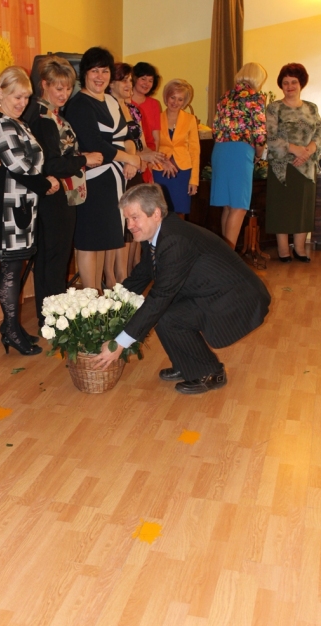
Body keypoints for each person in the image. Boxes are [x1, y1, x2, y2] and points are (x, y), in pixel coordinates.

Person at [92, 184, 271, 395]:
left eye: (134, 217)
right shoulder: (157, 232)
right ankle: (188, 366)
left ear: (155, 213)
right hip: (211, 290)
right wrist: (106, 307)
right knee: (165, 314)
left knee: (169, 314)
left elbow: (159, 297)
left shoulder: (174, 240)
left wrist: (119, 344)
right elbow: (141, 275)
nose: (129, 225)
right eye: (127, 218)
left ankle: (211, 373)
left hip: (235, 299)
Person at [0, 66, 59, 354]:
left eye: (26, 97)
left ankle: (10, 326)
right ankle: (11, 330)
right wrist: (45, 183)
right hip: (7, 210)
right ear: (0, 92)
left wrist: (42, 180)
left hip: (19, 207)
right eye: (17, 96)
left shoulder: (14, 122)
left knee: (14, 267)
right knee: (11, 269)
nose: (22, 102)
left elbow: (29, 164)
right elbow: (21, 166)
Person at [28, 55, 103, 326]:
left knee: (52, 258)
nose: (64, 94)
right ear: (45, 84)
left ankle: (50, 317)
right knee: (54, 259)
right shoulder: (44, 117)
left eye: (68, 88)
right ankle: (54, 318)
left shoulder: (50, 114)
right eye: (58, 88)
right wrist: (84, 159)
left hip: (59, 196)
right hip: (54, 197)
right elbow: (51, 163)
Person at [65, 47, 141, 290]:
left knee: (103, 242)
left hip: (114, 181)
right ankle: (90, 295)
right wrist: (129, 158)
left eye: (105, 71)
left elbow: (127, 134)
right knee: (89, 242)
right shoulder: (79, 104)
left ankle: (98, 296)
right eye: (94, 71)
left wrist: (130, 157)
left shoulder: (111, 101)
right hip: (93, 181)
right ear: (84, 73)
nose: (100, 76)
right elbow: (94, 144)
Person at [108, 62, 166, 282]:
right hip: (118, 169)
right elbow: (115, 144)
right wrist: (136, 158)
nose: (128, 85)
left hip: (135, 168)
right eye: (124, 80)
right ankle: (116, 278)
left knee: (133, 226)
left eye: (130, 80)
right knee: (120, 228)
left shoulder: (133, 109)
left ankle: (131, 274)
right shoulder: (108, 106)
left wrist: (147, 156)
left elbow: (139, 141)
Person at [265, 63, 321, 263]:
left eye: (293, 82)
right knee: (282, 207)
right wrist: (294, 149)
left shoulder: (311, 108)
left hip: (306, 165)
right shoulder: (274, 108)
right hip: (282, 166)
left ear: (301, 84)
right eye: (285, 82)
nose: (289, 86)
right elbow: (270, 136)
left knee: (303, 207)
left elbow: (319, 133)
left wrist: (309, 150)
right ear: (281, 85)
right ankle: (283, 249)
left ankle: (299, 248)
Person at [211, 62, 267, 249]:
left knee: (228, 205)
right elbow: (260, 134)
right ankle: (229, 257)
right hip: (240, 152)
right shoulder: (255, 97)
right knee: (240, 206)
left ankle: (224, 254)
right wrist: (258, 154)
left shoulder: (225, 96)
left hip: (220, 150)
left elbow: (215, 127)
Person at [152, 78, 200, 217]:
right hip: (160, 169)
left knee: (180, 211)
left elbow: (195, 151)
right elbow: (152, 145)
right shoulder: (156, 117)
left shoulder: (190, 119)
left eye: (180, 99)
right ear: (166, 97)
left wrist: (194, 180)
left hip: (182, 172)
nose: (175, 102)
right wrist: (161, 161)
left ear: (185, 101)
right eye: (172, 97)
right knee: (159, 211)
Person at [131, 62, 162, 182]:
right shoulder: (124, 102)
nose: (147, 83)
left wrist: (152, 160)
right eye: (143, 79)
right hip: (131, 154)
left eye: (150, 80)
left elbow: (156, 138)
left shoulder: (154, 104)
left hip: (149, 156)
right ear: (134, 79)